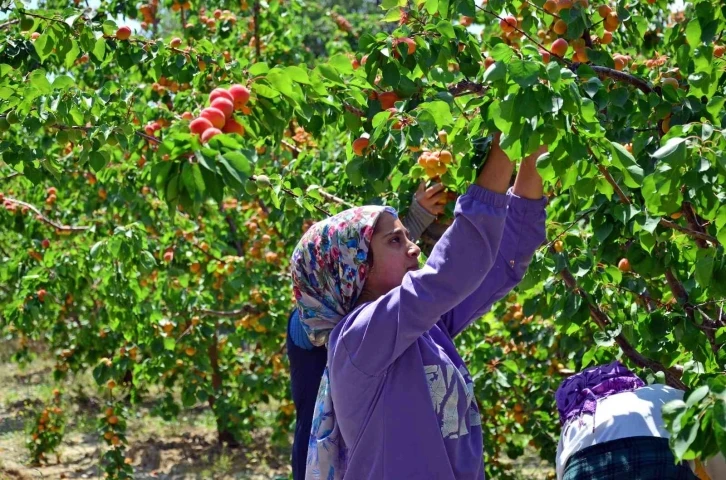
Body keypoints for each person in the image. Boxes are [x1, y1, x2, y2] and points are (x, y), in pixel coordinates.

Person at [290, 132, 548, 479]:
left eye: (408, 237)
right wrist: (508, 133)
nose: (414, 248)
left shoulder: (427, 328)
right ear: (353, 271)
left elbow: (505, 259)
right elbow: (453, 270)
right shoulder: (358, 338)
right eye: (395, 241)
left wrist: (534, 147)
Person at [286, 182, 447, 480]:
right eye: (395, 241)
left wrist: (411, 224)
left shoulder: (365, 317)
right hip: (324, 457)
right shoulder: (315, 322)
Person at [555, 361, 726, 480]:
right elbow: (719, 462)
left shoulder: (572, 424)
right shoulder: (661, 395)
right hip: (660, 468)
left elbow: (564, 472)